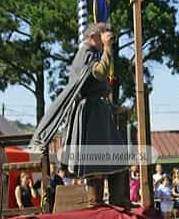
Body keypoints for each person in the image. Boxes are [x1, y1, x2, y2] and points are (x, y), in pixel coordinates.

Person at [30, 22, 129, 208]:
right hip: (91, 115)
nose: (107, 38)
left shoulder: (89, 53)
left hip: (97, 111)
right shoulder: (86, 54)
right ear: (93, 36)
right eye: (103, 34)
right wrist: (108, 48)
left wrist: (114, 108)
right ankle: (97, 204)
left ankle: (116, 201)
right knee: (97, 163)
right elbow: (100, 74)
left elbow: (95, 87)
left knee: (115, 160)